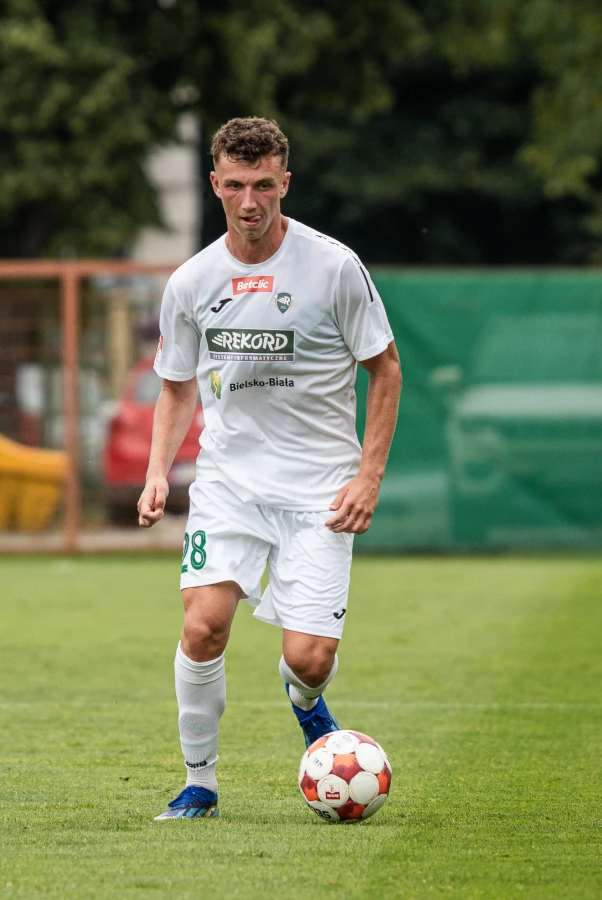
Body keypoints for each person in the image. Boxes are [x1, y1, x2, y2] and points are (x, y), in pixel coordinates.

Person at [138, 117, 402, 820]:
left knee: (310, 658)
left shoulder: (334, 267)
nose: (249, 201)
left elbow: (386, 368)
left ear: (285, 182)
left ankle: (308, 703)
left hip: (320, 490)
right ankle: (199, 784)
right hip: (229, 486)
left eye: (263, 185)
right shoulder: (192, 281)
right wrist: (159, 471)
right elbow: (176, 386)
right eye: (235, 185)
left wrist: (368, 477)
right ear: (214, 185)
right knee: (203, 625)